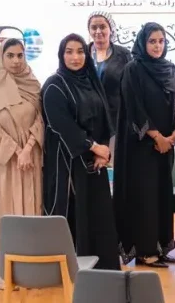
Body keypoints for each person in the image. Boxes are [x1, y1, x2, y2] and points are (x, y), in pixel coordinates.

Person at [42, 34, 121, 270]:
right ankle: (73, 272)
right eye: (69, 52)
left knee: (98, 215)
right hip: (69, 162)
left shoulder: (91, 81)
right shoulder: (54, 85)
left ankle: (103, 269)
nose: (75, 57)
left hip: (94, 163)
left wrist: (102, 151)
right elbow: (62, 125)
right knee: (76, 214)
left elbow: (104, 117)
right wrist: (94, 147)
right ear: (61, 55)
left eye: (80, 52)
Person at [0, 39, 44, 288]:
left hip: (31, 160)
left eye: (20, 55)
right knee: (7, 214)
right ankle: (6, 274)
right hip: (5, 163)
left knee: (32, 210)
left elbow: (41, 120)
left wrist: (27, 149)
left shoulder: (34, 84)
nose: (16, 61)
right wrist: (16, 151)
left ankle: (32, 272)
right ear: (1, 58)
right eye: (10, 55)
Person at [113, 23, 175, 268]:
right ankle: (144, 250)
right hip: (140, 147)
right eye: (152, 41)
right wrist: (156, 136)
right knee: (144, 198)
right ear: (143, 43)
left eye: (161, 41)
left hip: (165, 147)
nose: (157, 46)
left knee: (161, 195)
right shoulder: (133, 69)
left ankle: (160, 247)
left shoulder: (170, 70)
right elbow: (134, 107)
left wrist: (173, 134)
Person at [87, 11, 132, 124]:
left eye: (102, 27)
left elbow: (131, 88)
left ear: (111, 29)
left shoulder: (124, 54)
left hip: (116, 118)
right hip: (88, 117)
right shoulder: (82, 53)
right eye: (94, 28)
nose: (98, 31)